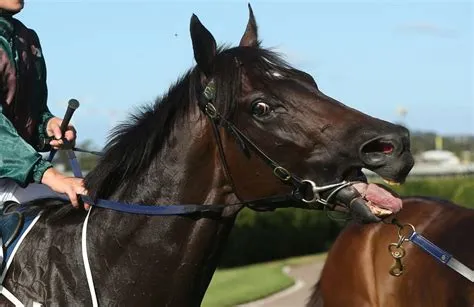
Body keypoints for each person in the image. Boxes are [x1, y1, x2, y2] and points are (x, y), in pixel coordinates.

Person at [0, 0, 89, 211]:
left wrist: (48, 127)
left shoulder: (27, 38)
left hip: (13, 177)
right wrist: (49, 175)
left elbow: (34, 113)